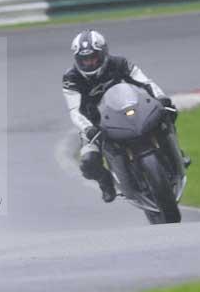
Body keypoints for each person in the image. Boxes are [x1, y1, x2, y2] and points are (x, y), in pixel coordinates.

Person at [62, 29, 184, 203]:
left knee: (166, 114)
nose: (89, 63)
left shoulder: (120, 63)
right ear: (77, 60)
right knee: (88, 162)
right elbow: (74, 110)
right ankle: (105, 181)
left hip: (125, 109)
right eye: (84, 60)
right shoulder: (70, 78)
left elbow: (145, 81)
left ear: (104, 53)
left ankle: (175, 153)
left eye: (93, 58)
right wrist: (88, 129)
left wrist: (161, 98)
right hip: (93, 123)